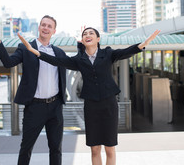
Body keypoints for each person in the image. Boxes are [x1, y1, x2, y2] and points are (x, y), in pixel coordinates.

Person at [18, 27, 160, 165]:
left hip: (109, 105)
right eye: (85, 33)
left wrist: (142, 45)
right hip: (91, 107)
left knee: (110, 148)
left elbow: (126, 52)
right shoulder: (79, 60)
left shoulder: (108, 53)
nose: (88, 35)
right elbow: (58, 61)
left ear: (98, 39)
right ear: (83, 40)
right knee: (94, 149)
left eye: (91, 33)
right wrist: (36, 52)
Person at [0, 15, 67, 165]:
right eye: (43, 24)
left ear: (54, 31)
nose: (45, 28)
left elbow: (76, 64)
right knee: (26, 148)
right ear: (39, 27)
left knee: (56, 148)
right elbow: (8, 63)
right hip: (35, 107)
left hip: (55, 107)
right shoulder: (25, 47)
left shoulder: (59, 53)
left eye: (49, 26)